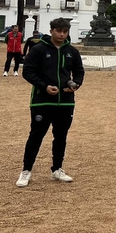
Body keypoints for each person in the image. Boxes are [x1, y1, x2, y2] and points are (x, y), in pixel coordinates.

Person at [16, 17, 85, 188]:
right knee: (36, 136)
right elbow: (28, 72)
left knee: (61, 137)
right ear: (52, 30)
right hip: (42, 101)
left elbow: (79, 71)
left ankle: (57, 169)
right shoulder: (39, 49)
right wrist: (44, 86)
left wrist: (76, 84)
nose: (62, 34)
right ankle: (26, 171)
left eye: (65, 31)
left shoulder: (72, 51)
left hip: (65, 102)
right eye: (58, 31)